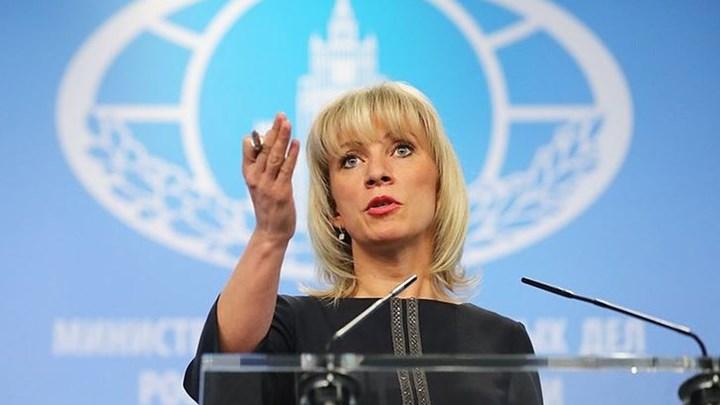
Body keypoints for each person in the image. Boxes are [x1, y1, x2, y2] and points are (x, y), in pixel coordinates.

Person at [183, 82, 543, 404]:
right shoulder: (292, 325)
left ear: (439, 184)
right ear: (334, 210)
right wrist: (270, 234)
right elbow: (224, 371)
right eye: (351, 160)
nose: (376, 173)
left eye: (401, 149)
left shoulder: (502, 341)